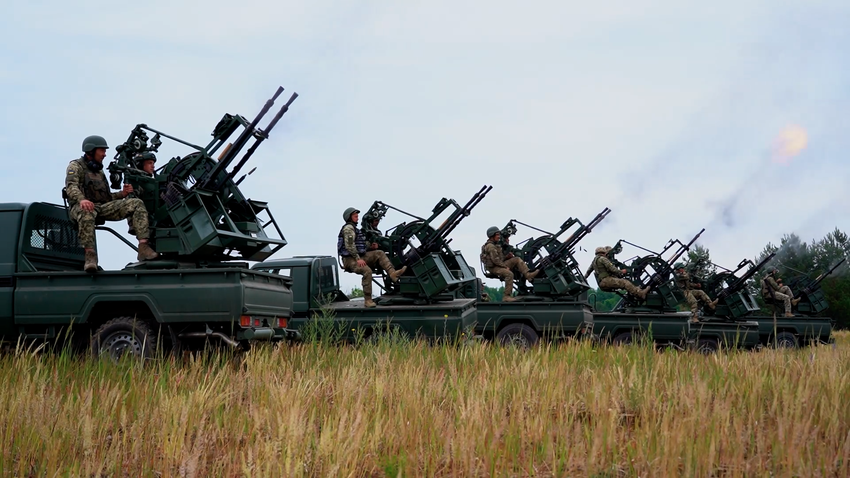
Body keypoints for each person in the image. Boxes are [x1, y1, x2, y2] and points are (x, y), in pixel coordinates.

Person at [65, 135, 159, 273]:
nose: (104, 154)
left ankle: (143, 247)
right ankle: (90, 257)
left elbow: (106, 198)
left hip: (101, 207)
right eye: (102, 151)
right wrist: (82, 200)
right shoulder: (76, 166)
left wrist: (122, 194)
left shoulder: (99, 171)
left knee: (136, 203)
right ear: (91, 150)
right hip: (81, 208)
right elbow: (71, 187)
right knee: (86, 211)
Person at [338, 207, 407, 308]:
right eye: (355, 216)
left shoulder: (354, 229)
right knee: (367, 271)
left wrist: (371, 246)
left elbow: (360, 244)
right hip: (350, 259)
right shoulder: (348, 228)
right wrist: (358, 259)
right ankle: (368, 300)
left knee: (379, 253)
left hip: (358, 256)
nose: (357, 218)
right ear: (349, 217)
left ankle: (393, 274)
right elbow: (349, 246)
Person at [480, 226, 539, 302]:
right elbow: (495, 260)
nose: (499, 236)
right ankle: (506, 296)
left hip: (498, 265)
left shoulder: (495, 245)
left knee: (517, 259)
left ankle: (528, 275)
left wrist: (507, 257)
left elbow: (499, 258)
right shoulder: (490, 246)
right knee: (509, 274)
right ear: (492, 236)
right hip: (494, 268)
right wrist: (505, 267)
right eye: (497, 235)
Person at [584, 246, 649, 299]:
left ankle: (636, 290)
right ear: (604, 253)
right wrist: (621, 271)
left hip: (602, 283)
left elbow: (588, 271)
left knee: (622, 282)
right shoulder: (603, 259)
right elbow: (613, 269)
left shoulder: (594, 261)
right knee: (625, 282)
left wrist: (584, 278)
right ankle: (640, 294)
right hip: (606, 281)